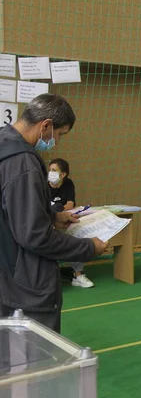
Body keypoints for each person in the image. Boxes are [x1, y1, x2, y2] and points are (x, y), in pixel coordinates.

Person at [0, 93, 108, 332]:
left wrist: (53, 216)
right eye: (59, 134)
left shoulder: (3, 144)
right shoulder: (23, 163)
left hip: (6, 273)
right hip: (23, 285)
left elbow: (10, 210)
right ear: (45, 125)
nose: (56, 141)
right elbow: (34, 235)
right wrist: (89, 248)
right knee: (34, 362)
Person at [48, 158, 94, 288]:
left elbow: (70, 204)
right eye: (50, 170)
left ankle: (78, 275)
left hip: (65, 218)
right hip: (48, 222)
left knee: (77, 232)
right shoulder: (42, 185)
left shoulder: (68, 184)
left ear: (63, 174)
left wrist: (58, 210)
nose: (50, 172)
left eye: (54, 170)